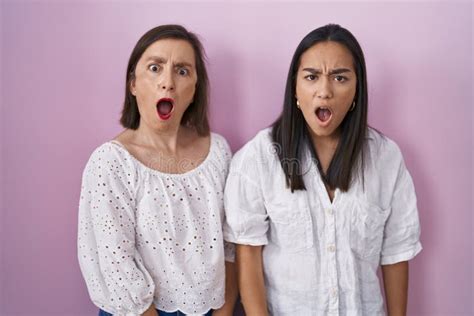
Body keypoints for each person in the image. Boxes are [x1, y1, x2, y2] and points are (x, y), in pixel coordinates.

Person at [223, 24, 422, 315]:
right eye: (312, 77)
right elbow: (248, 254)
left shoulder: (385, 157)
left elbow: (395, 254)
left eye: (340, 78)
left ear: (357, 89)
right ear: (295, 87)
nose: (324, 91)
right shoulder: (259, 156)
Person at [78, 24, 237, 316]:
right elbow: (117, 265)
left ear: (194, 89)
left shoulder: (219, 153)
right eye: (155, 68)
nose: (168, 82)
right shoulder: (112, 163)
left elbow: (231, 246)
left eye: (182, 70)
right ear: (133, 84)